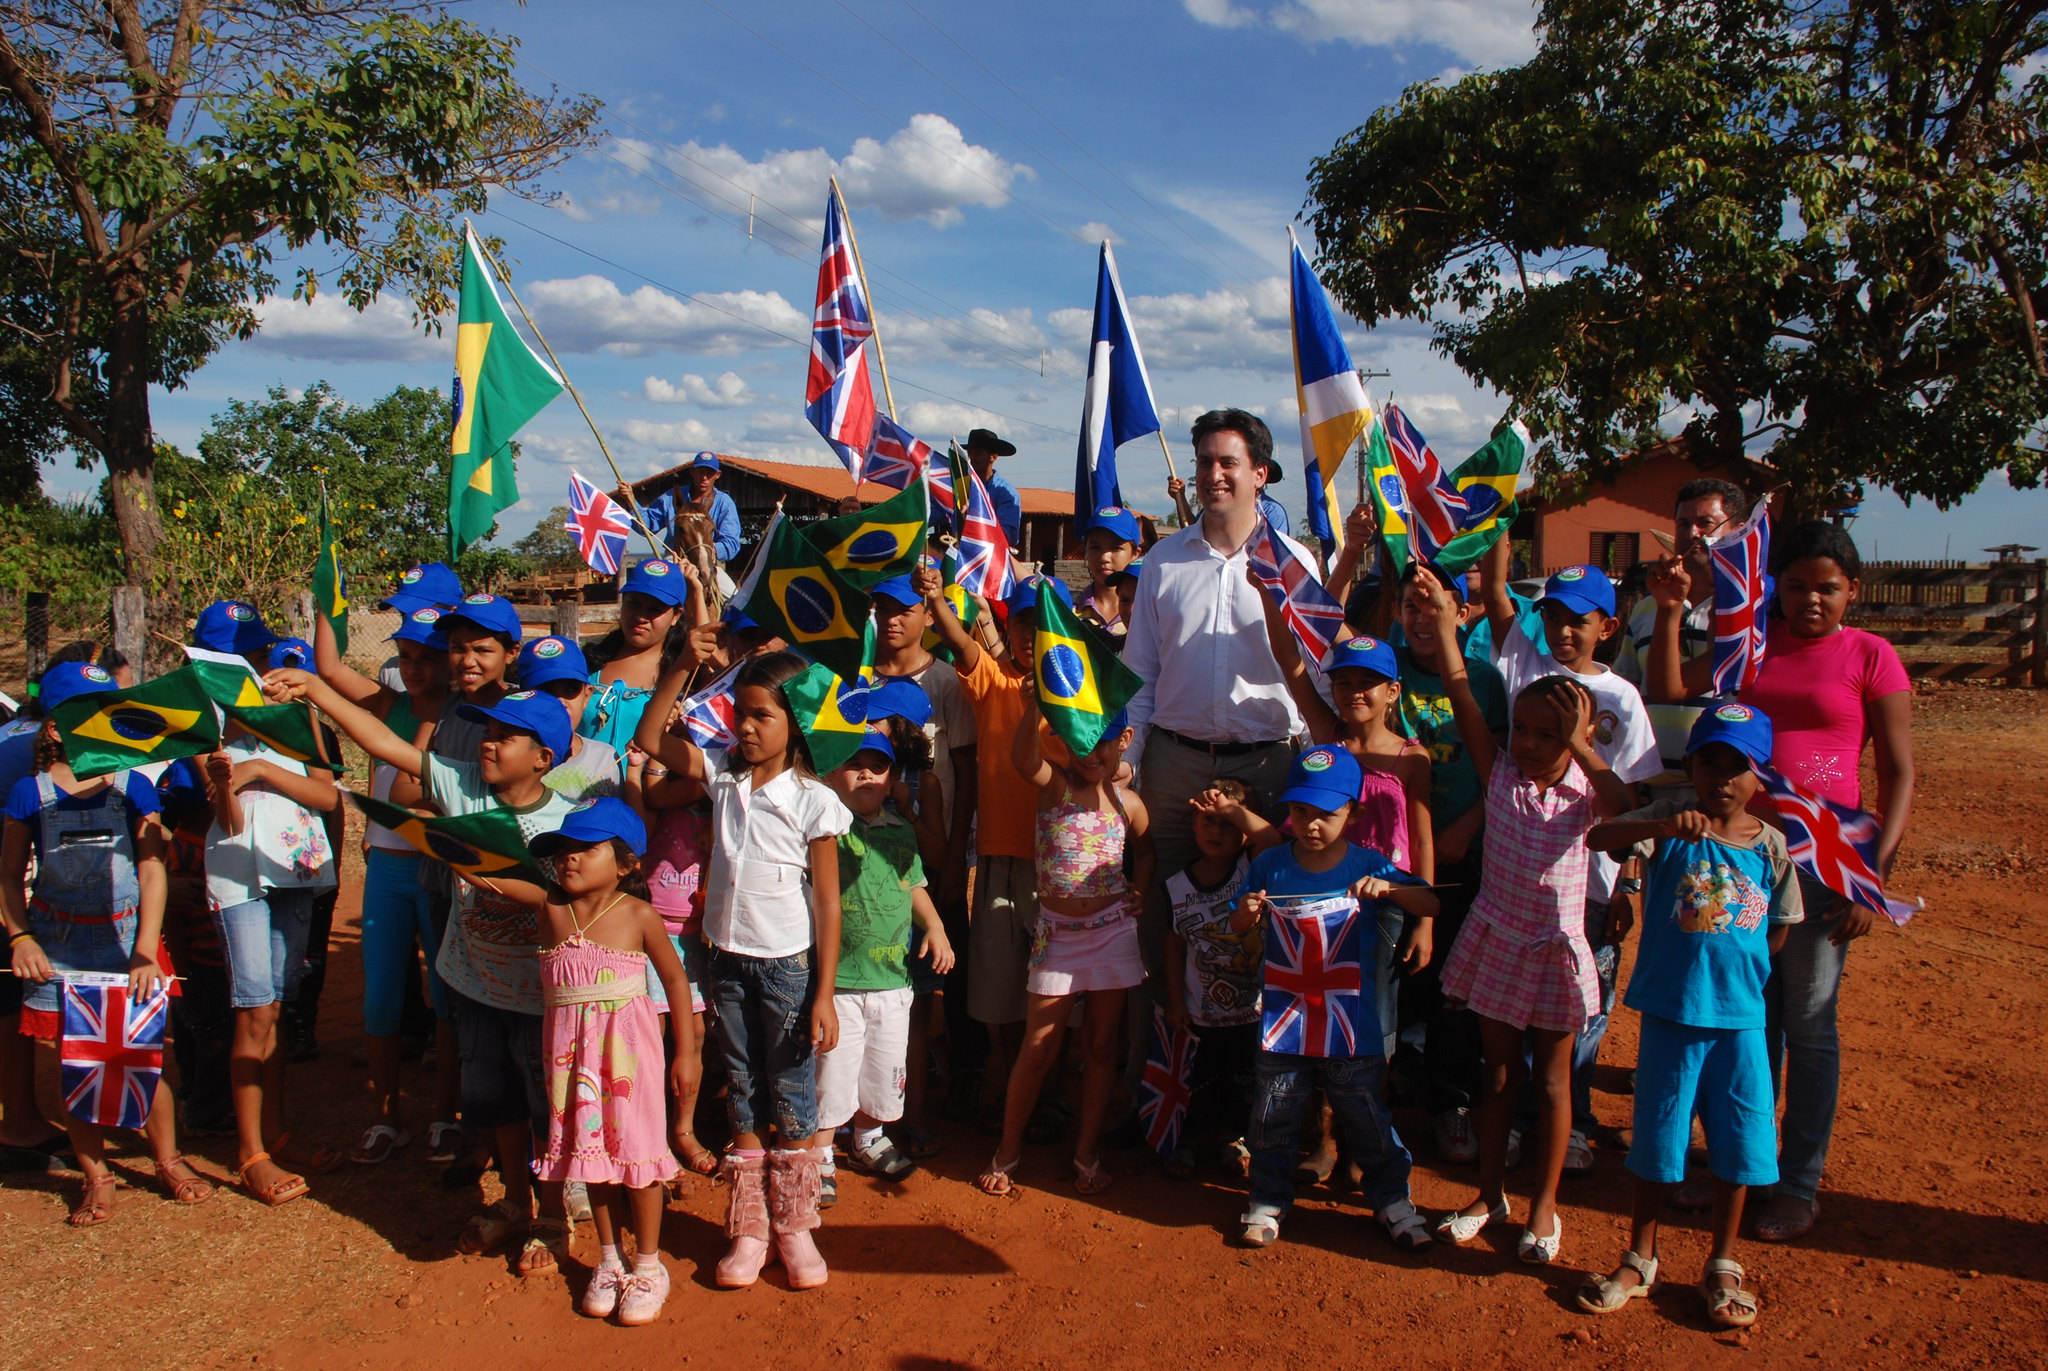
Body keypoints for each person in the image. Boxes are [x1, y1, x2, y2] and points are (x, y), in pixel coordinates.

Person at [1644, 518, 1913, 1243]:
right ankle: (1741, 1168)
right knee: (1744, 1022)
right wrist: (1671, 612)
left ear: (1852, 590)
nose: (1811, 600)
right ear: (1776, 587)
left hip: (1828, 869)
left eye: (1827, 587)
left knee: (1808, 1023)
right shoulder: (1751, 645)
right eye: (1795, 586)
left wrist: (1872, 880)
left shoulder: (1872, 655)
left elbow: (1897, 771)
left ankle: (1797, 1183)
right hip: (1741, 861)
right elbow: (1669, 689)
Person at [269, 668, 580, 1274]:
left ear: (543, 757)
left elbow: (572, 914)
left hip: (541, 1000)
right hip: (476, 985)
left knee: (548, 1114)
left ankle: (551, 1215)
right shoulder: (461, 783)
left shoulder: (569, 826)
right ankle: (515, 1200)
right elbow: (383, 744)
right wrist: (315, 690)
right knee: (497, 1107)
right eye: (485, 730)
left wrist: (495, 882)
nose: (487, 743)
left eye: (505, 736)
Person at [1418, 569, 1629, 1268]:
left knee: (1552, 1082)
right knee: (1499, 1077)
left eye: (1552, 734)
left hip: (1556, 952)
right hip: (1498, 941)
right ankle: (1489, 1195)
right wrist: (1447, 622)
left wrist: (1586, 745)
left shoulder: (1586, 794)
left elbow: (1625, 812)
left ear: (1579, 736)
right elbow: (1459, 689)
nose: (1533, 744)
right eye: (1526, 731)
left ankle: (1544, 1207)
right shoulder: (1500, 773)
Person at [1578, 703, 1802, 1328]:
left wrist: (1734, 971)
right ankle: (1639, 1256)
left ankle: (1723, 1263)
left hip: (1742, 1024)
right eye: (1709, 762)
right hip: (1672, 1017)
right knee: (1658, 1139)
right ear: (1692, 763)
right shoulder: (1669, 820)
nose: (1721, 779)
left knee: (1738, 1142)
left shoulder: (1773, 847)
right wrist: (1668, 829)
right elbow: (1601, 837)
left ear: (1761, 776)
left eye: (1738, 767)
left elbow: (1778, 931)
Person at [635, 649, 851, 1291]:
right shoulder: (721, 781)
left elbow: (828, 903)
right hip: (725, 960)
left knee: (792, 1086)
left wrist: (825, 994)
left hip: (789, 968)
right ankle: (751, 1227)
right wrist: (681, 662)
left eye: (762, 715)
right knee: (743, 1083)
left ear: (796, 722)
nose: (747, 727)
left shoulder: (813, 800)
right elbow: (650, 739)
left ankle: (796, 1224)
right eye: (740, 714)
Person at [1, 662, 214, 1223]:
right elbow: (7, 875)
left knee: (143, 1056)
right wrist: (20, 937)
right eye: (85, 714)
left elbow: (151, 870)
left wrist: (147, 946)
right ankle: (96, 1175)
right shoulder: (31, 794)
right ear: (53, 728)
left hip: (128, 945)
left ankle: (167, 1159)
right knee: (79, 1063)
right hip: (58, 948)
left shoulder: (133, 785)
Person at [1124, 410, 1307, 1061]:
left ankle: (1261, 1094)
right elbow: (1140, 673)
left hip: (1266, 771)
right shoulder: (1162, 562)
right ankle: (1160, 1086)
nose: (1213, 474)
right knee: (1164, 923)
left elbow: (1312, 676)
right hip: (1173, 768)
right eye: (1205, 462)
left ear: (1259, 473)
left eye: (1228, 462)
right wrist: (1132, 762)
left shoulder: (1295, 564)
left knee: (1271, 919)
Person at [1482, 558, 1661, 1170]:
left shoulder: (1623, 698)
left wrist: (1627, 885)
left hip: (1593, 884)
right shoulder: (1527, 669)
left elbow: (1632, 801)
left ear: (1606, 627)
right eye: (1552, 616)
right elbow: (1498, 602)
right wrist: (1495, 532)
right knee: (1520, 1006)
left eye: (1577, 620)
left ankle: (1573, 1120)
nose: (1562, 630)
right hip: (1523, 882)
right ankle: (1519, 1119)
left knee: (1583, 1011)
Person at [1225, 744, 1437, 1251]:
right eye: (1301, 812)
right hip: (1285, 1018)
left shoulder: (1371, 863)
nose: (1311, 824)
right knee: (1274, 1110)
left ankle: (1391, 1198)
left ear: (1354, 814)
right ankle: (1268, 1196)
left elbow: (1430, 899)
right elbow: (1235, 924)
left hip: (1350, 1021)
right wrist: (1248, 911)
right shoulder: (1271, 863)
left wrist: (1390, 892)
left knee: (1364, 1110)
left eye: (1326, 814)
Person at [976, 687, 1151, 1198]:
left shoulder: (1129, 801)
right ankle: (1007, 1153)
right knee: (1037, 1047)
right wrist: (1035, 708)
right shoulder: (1055, 786)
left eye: (1103, 744)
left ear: (1125, 740)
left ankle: (1086, 1152)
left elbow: (1148, 851)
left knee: (1100, 1046)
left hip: (1114, 932)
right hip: (1058, 936)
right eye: (1080, 743)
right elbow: (1022, 757)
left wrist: (1138, 889)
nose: (1092, 755)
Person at [529, 798, 697, 1327]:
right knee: (591, 1155)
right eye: (563, 850)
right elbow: (489, 872)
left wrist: (687, 1053)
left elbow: (675, 981)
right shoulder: (551, 909)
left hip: (631, 1059)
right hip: (569, 1062)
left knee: (639, 1157)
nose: (570, 859)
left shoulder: (638, 914)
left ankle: (648, 1264)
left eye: (587, 848)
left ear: (626, 863)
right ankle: (609, 1257)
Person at [916, 566, 1071, 1135]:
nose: (1032, 636)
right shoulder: (993, 679)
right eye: (1025, 623)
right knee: (1004, 987)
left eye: (1044, 625)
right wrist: (935, 599)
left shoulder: (1078, 689)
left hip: (1059, 862)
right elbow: (960, 641)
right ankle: (1014, 1087)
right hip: (1002, 856)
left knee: (1052, 988)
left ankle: (1050, 1096)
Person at [324, 606, 458, 1165]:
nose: (414, 669)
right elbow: (329, 670)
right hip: (385, 866)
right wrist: (326, 590)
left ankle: (447, 1116)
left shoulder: (463, 714)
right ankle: (386, 1119)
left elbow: (413, 785)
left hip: (439, 865)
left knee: (446, 997)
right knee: (380, 998)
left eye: (427, 658)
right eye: (405, 658)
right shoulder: (389, 704)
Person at [1387, 561, 1510, 1162]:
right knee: (1400, 977)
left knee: (1456, 990)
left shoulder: (1484, 681)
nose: (1419, 618)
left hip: (1465, 856)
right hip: (1395, 858)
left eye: (1433, 605)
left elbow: (1506, 769)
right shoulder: (1385, 671)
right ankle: (1399, 1088)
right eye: (1410, 606)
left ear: (1462, 614)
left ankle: (1453, 1102)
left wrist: (1468, 825)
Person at [811, 725, 955, 1195]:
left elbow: (913, 884)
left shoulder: (901, 833)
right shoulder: (826, 831)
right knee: (834, 1071)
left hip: (894, 979)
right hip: (843, 982)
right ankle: (820, 1155)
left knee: (884, 1066)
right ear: (832, 774)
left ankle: (869, 1137)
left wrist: (934, 927)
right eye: (855, 765)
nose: (867, 775)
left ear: (892, 777)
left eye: (878, 766)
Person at [866, 574, 980, 1146]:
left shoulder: (946, 681)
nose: (893, 619)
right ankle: (894, 1085)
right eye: (882, 608)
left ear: (926, 615)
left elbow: (967, 768)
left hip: (935, 851)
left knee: (945, 965)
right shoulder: (857, 681)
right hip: (872, 860)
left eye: (904, 608)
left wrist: (957, 852)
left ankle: (961, 1071)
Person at [1613, 478, 1751, 795]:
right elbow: (1626, 692)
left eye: (1705, 524)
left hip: (1718, 793)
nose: (1692, 535)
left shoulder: (1747, 613)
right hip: (1646, 785)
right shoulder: (1647, 608)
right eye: (1684, 524)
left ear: (1738, 530)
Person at [1161, 776, 1259, 1179]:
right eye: (1208, 821)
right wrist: (1175, 1000)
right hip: (1200, 1010)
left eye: (1229, 824)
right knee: (1197, 1081)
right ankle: (1188, 1140)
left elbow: (1271, 839)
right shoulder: (1176, 886)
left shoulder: (1253, 869)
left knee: (1242, 1080)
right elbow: (1173, 945)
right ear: (1192, 824)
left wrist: (1234, 809)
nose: (1217, 831)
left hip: (1252, 1011)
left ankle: (1233, 1139)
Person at [582, 558, 699, 771]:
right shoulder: (588, 665)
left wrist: (697, 592)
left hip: (646, 800)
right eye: (634, 603)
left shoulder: (683, 677)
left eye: (655, 608)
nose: (641, 616)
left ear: (676, 616)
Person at [515, 635, 620, 802]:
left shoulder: (605, 759)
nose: (559, 702)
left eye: (571, 689)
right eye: (546, 691)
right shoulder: (512, 760)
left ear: (587, 696)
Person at [1075, 505, 1142, 638]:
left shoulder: (1151, 614)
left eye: (1115, 548)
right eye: (1095, 547)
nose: (1104, 557)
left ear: (1135, 553)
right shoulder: (1067, 613)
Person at [679, 451, 743, 564]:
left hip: (711, 561)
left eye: (709, 473)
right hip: (675, 558)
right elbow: (647, 524)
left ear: (717, 475)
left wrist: (705, 550)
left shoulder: (724, 502)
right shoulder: (673, 496)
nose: (704, 477)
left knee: (726, 583)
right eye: (700, 472)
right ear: (692, 471)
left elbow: (731, 543)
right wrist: (635, 505)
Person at [965, 428, 1023, 546]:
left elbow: (1008, 535)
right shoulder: (961, 486)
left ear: (994, 456)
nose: (972, 458)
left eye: (978, 453)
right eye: (970, 453)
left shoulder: (1007, 494)